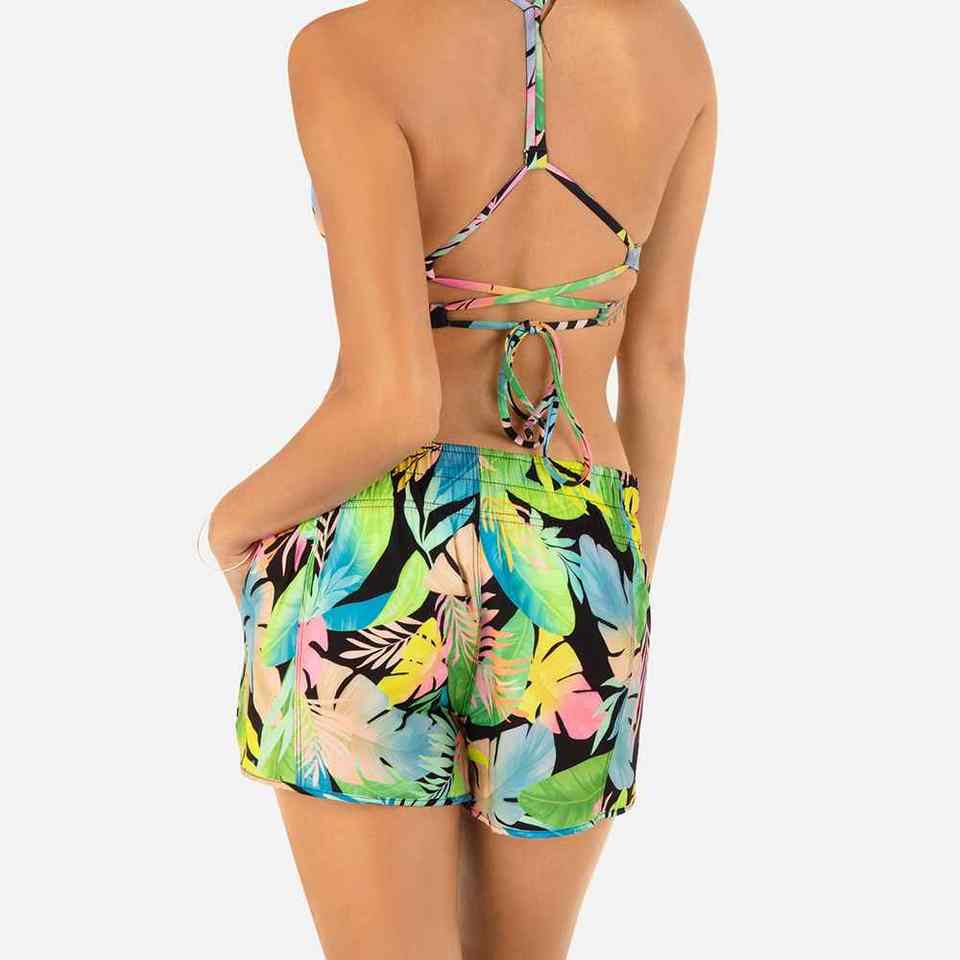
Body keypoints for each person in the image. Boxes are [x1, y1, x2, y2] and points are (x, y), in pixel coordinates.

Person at [208, 0, 715, 956]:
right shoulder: (671, 44)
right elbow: (659, 367)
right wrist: (623, 591)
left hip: (379, 547)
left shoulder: (348, 52)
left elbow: (393, 400)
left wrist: (228, 527)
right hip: (580, 549)